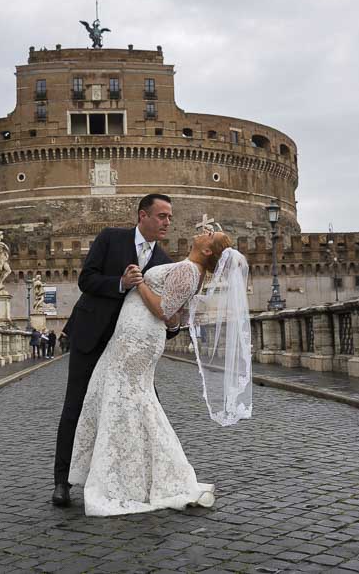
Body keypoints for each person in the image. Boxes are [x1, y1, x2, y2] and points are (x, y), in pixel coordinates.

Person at [68, 230, 234, 516]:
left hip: (138, 339)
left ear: (208, 251)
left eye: (210, 234)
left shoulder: (188, 269)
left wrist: (139, 282)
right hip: (130, 337)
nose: (204, 231)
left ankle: (127, 481)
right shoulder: (189, 268)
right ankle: (134, 473)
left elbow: (161, 309)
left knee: (128, 401)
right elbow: (173, 315)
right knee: (128, 401)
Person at [52, 194, 177, 507]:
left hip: (130, 349)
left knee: (146, 408)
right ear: (142, 216)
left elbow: (162, 312)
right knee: (76, 406)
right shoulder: (110, 238)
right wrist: (120, 283)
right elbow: (86, 279)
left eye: (169, 217)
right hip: (92, 336)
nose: (167, 222)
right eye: (161, 216)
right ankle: (62, 483)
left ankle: (143, 480)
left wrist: (174, 323)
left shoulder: (164, 263)